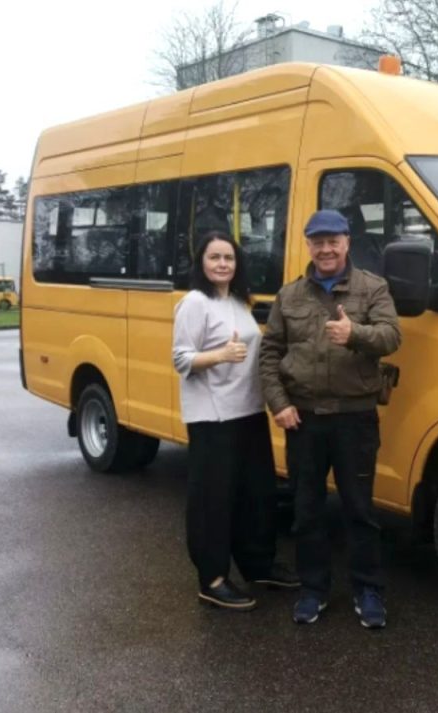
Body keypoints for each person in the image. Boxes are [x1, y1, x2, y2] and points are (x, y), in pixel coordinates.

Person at [259, 209, 401, 628]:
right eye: (317, 242)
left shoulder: (372, 288)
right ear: (308, 246)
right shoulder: (289, 295)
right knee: (307, 511)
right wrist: (279, 404)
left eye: (333, 241)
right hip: (303, 420)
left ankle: (368, 591)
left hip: (355, 420)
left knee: (360, 510)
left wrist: (355, 334)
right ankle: (313, 590)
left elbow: (392, 336)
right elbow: (270, 354)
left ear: (347, 243)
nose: (325, 249)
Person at [172, 230, 297, 610]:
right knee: (214, 500)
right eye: (214, 257)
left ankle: (258, 565)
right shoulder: (195, 303)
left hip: (249, 410)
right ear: (201, 263)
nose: (222, 264)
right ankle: (211, 578)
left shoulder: (240, 301)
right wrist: (220, 355)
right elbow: (181, 358)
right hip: (213, 417)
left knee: (256, 494)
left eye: (228, 257)